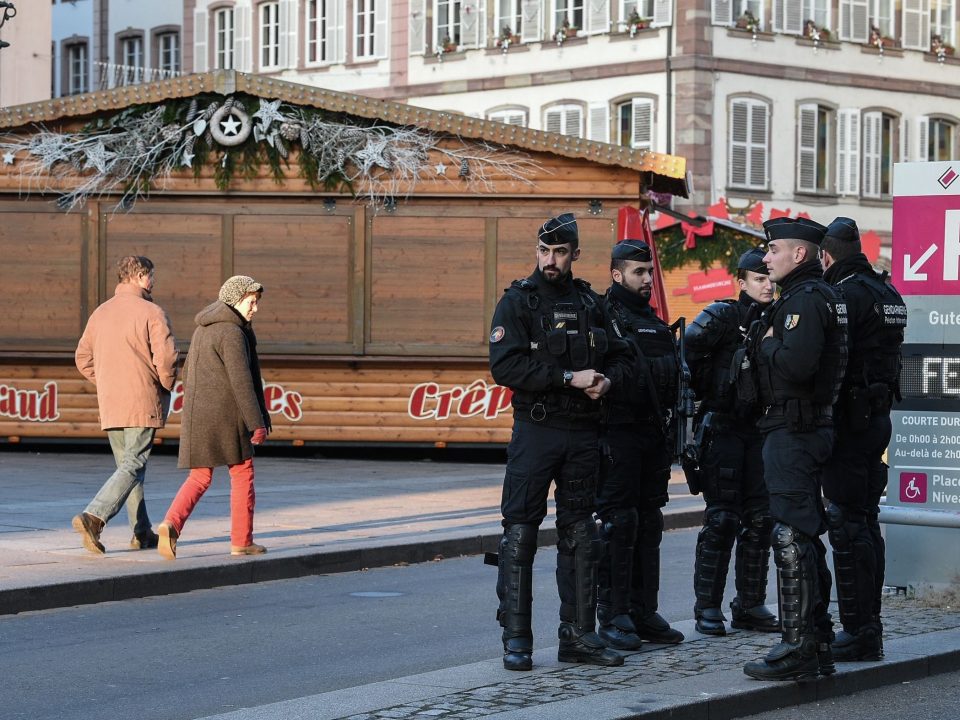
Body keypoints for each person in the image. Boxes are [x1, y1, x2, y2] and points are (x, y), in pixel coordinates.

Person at [488, 213, 632, 671]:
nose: (551, 260)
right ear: (537, 251)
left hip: (583, 433)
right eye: (544, 251)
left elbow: (624, 358)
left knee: (581, 535)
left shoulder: (591, 302)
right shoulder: (518, 301)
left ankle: (578, 636)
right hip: (537, 429)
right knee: (520, 533)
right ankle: (517, 639)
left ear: (574, 254)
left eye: (560, 252)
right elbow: (505, 367)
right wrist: (569, 377)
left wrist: (606, 382)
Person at [742, 218, 847, 682]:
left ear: (798, 255)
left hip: (795, 428)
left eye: (773, 250)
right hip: (803, 427)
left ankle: (798, 644)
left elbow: (798, 366)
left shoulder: (804, 301)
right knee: (801, 534)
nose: (766, 258)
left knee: (790, 535)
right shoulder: (817, 296)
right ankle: (816, 640)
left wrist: (767, 347)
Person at [820, 217, 906, 662]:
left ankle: (858, 630)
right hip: (877, 419)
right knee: (866, 523)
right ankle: (869, 624)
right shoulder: (887, 292)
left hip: (850, 425)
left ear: (827, 255)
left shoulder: (844, 295)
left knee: (848, 525)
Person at [685, 248, 779, 636]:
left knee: (760, 520)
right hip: (722, 428)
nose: (768, 285)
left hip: (759, 431)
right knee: (722, 519)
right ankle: (708, 607)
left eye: (769, 278)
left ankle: (750, 605)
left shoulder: (780, 316)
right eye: (759, 279)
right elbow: (686, 359)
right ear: (741, 282)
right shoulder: (722, 316)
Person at [597, 239, 685, 650]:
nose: (648, 279)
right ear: (617, 275)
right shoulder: (603, 317)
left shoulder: (652, 320)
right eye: (638, 272)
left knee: (649, 523)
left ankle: (643, 611)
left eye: (649, 272)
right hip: (617, 432)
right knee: (619, 523)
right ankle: (613, 614)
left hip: (653, 435)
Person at [157, 275, 271, 560]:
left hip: (200, 414)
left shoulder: (204, 329)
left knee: (200, 476)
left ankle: (171, 523)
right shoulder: (231, 332)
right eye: (251, 302)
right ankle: (242, 540)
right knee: (243, 472)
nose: (255, 308)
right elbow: (241, 381)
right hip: (227, 415)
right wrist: (256, 422)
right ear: (235, 300)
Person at [72, 255, 178, 554]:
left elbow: (82, 358)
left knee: (128, 468)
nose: (153, 281)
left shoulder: (100, 313)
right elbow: (167, 358)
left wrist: (105, 380)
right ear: (141, 275)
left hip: (111, 401)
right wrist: (165, 384)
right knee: (134, 464)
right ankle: (94, 516)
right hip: (142, 398)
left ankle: (141, 531)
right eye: (151, 275)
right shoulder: (152, 312)